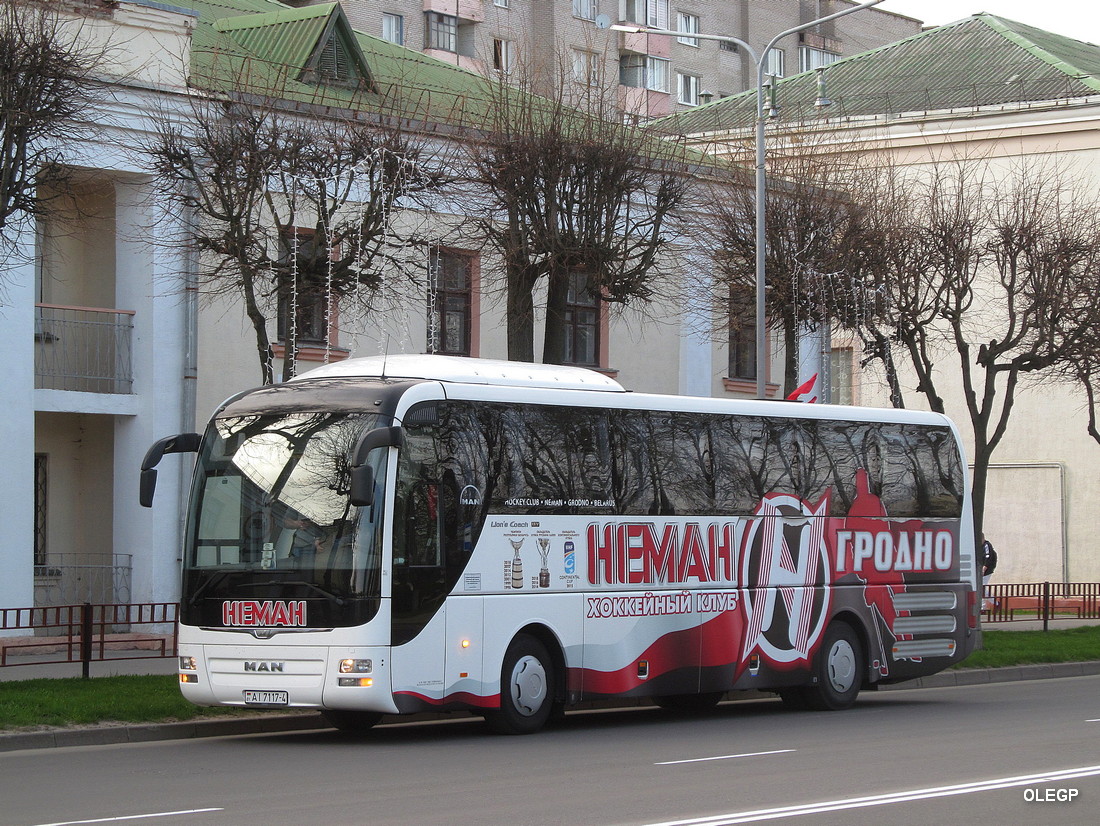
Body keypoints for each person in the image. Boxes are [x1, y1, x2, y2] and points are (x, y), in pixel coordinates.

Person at [981, 536, 998, 609]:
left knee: (982, 588)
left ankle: (995, 603)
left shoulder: (986, 545)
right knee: (981, 588)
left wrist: (985, 567)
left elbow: (988, 557)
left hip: (987, 571)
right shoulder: (980, 546)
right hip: (981, 570)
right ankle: (983, 607)